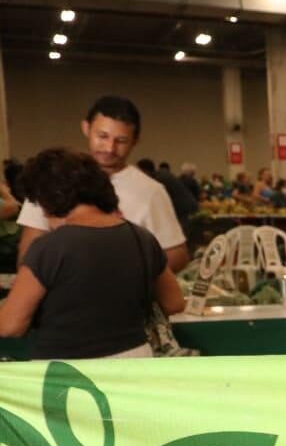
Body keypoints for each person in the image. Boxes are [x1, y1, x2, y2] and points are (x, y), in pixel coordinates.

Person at [0, 149, 185, 359]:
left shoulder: (49, 248)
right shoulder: (141, 238)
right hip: (134, 364)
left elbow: (10, 325)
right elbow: (174, 302)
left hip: (67, 374)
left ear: (49, 198)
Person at [16, 96, 188, 272]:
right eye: (102, 136)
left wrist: (127, 276)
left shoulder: (151, 192)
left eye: (121, 141)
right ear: (86, 128)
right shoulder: (51, 178)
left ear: (135, 141)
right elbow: (28, 254)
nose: (109, 148)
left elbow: (176, 254)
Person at [138, 158, 199, 223]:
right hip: (188, 209)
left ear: (145, 171)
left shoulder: (158, 180)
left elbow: (155, 203)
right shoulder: (163, 174)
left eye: (139, 171)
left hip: (185, 212)